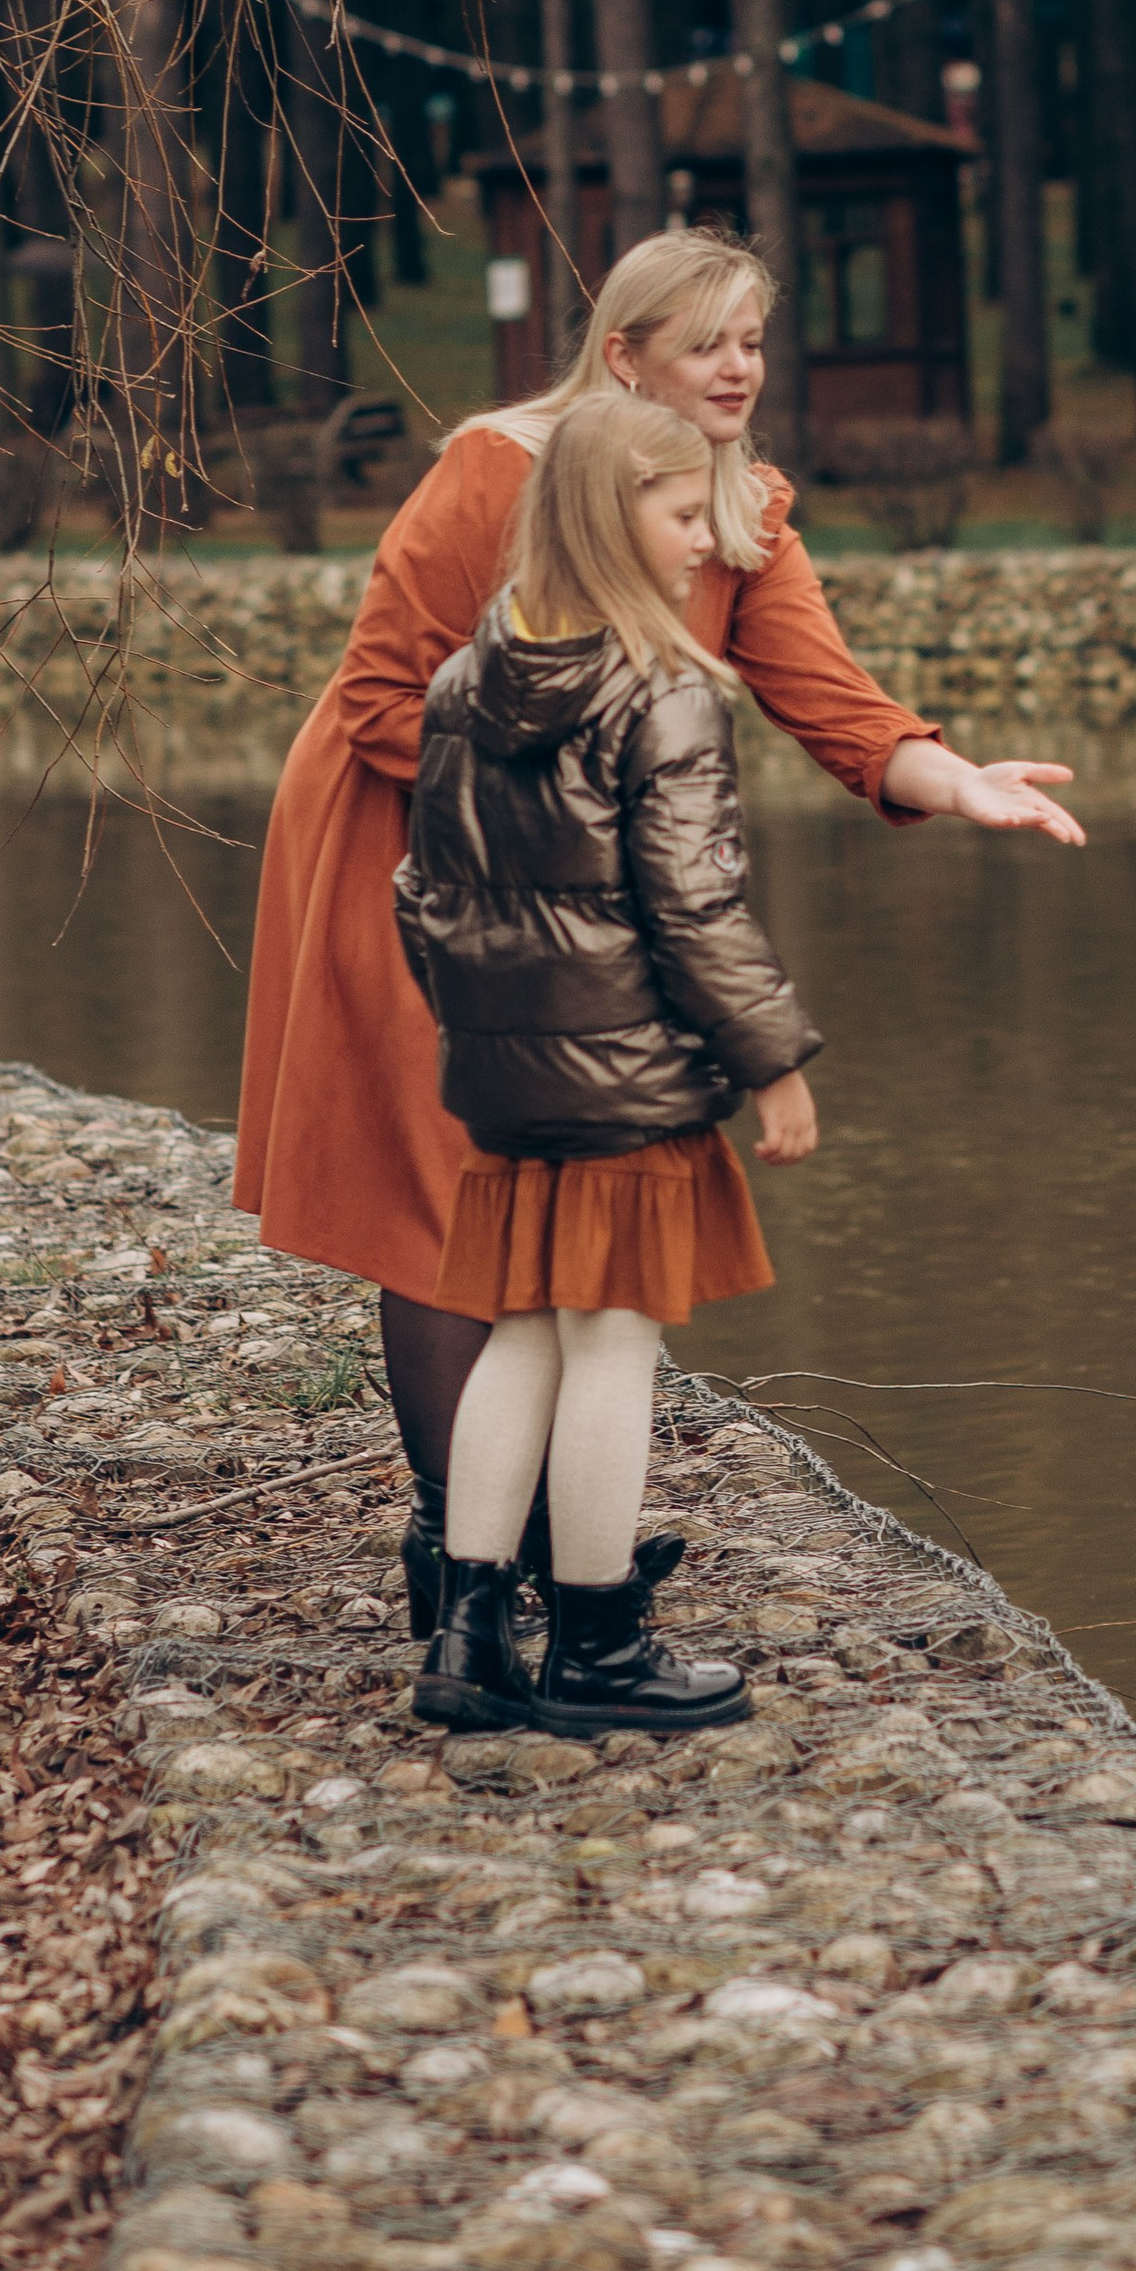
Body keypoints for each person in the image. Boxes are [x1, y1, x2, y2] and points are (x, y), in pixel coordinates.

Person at [232, 225, 1084, 1629]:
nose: (739, 369)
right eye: (706, 345)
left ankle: (527, 1550)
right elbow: (383, 694)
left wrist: (957, 780)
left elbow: (833, 699)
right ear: (623, 357)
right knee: (442, 1189)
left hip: (577, 875)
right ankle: (466, 1558)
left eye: (753, 341)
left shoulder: (732, 508)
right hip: (409, 840)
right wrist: (583, 795)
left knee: (538, 1189)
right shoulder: (496, 473)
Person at [393, 390, 816, 1730]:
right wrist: (773, 1063)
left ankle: (467, 1641)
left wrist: (487, 1029)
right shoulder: (665, 692)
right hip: (627, 1084)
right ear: (610, 517)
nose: (708, 540)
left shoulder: (465, 680)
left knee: (525, 1332)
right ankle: (596, 1647)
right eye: (685, 513)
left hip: (508, 1081)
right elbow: (696, 910)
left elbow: (421, 892)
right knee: (616, 1345)